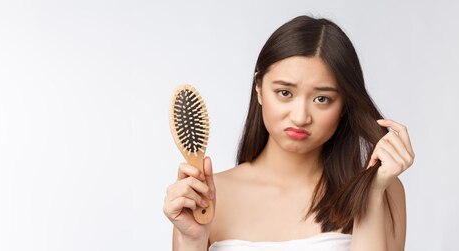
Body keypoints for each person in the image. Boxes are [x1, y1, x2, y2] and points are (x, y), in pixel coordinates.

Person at [163, 15, 415, 251]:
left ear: (344, 104)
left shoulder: (382, 191)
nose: (300, 116)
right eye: (285, 93)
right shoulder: (206, 198)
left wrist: (370, 194)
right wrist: (191, 240)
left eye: (322, 98)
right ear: (259, 88)